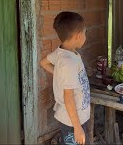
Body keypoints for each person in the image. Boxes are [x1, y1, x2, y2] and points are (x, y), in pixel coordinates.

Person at [40, 11, 90, 145]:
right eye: (85, 33)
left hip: (75, 117)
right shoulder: (69, 62)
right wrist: (77, 128)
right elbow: (68, 98)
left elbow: (43, 63)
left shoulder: (62, 52)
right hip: (73, 121)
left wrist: (59, 75)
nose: (85, 36)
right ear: (79, 36)